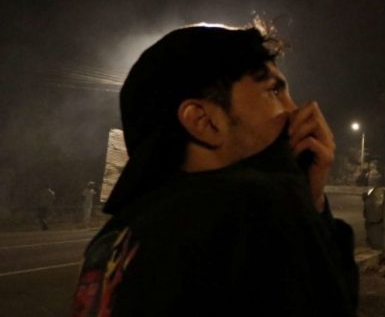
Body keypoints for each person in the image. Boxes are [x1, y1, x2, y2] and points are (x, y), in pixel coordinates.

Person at [70, 22, 358, 317]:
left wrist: (311, 199)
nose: (297, 111)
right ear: (203, 121)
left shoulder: (112, 238)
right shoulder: (256, 205)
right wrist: (303, 207)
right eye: (273, 91)